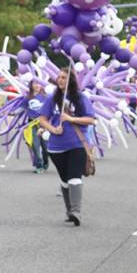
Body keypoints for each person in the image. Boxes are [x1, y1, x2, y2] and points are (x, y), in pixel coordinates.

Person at [38, 67, 95, 226]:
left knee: (74, 177)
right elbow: (42, 119)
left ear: (71, 80)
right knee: (64, 180)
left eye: (64, 77)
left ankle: (76, 211)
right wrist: (53, 129)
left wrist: (71, 119)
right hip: (56, 147)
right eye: (59, 77)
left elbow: (91, 120)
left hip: (77, 144)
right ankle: (69, 210)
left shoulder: (80, 98)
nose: (60, 80)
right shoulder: (53, 98)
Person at [24, 80, 50, 173]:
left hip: (44, 124)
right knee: (35, 145)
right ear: (31, 85)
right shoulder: (28, 97)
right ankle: (39, 165)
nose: (37, 85)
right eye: (35, 83)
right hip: (32, 124)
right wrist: (11, 113)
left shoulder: (46, 97)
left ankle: (45, 162)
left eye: (39, 83)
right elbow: (22, 108)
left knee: (45, 146)